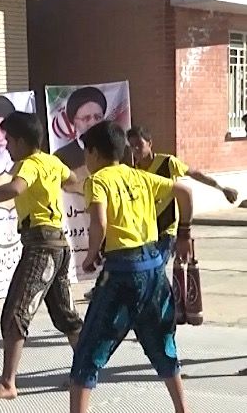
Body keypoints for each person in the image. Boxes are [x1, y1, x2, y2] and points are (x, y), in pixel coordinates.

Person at [0, 112, 83, 402]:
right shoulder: (52, 162)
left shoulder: (29, 164)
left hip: (41, 247)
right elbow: (73, 180)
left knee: (15, 314)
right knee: (65, 314)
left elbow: (15, 188)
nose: (7, 146)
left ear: (22, 142)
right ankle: (84, 371)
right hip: (59, 245)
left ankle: (8, 383)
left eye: (9, 140)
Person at [69, 121, 192, 413]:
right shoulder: (141, 176)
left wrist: (91, 254)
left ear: (94, 153)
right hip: (154, 270)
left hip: (122, 273)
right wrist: (184, 232)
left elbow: (99, 223)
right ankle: (182, 409)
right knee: (163, 345)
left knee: (88, 353)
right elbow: (185, 192)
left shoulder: (97, 181)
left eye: (86, 153)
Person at [127, 125, 237, 262]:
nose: (136, 149)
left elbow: (195, 174)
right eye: (132, 146)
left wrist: (221, 188)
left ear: (150, 143)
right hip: (146, 231)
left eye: (139, 144)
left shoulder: (167, 163)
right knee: (150, 269)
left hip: (167, 228)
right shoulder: (133, 172)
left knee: (157, 264)